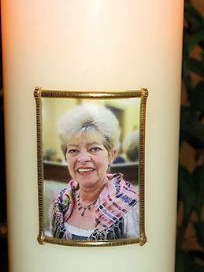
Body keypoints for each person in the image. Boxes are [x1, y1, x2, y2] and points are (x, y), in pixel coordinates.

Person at [48, 103, 139, 241]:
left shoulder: (130, 208)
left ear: (111, 155)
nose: (83, 158)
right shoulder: (59, 205)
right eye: (73, 150)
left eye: (94, 149)